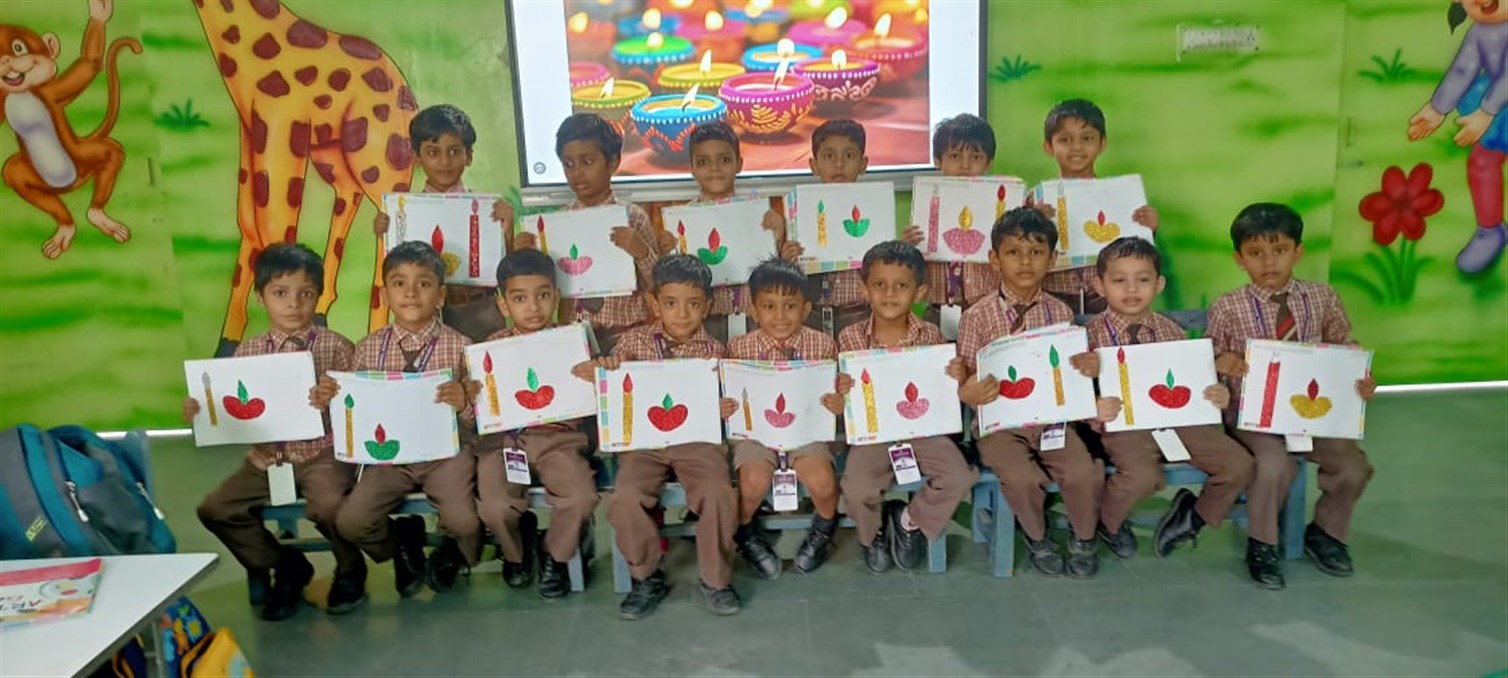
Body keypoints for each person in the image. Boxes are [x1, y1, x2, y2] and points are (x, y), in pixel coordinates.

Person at [1207, 203, 1376, 590]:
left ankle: (1326, 533)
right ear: (1239, 259)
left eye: (1279, 250)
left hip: (1312, 414)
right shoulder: (1228, 306)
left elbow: (1345, 347)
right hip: (1252, 415)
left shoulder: (1322, 297)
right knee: (1274, 465)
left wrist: (1361, 378)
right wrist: (1223, 362)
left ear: (1298, 252)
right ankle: (1262, 544)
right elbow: (1209, 358)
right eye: (1255, 253)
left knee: (1353, 466)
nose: (1269, 262)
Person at [193, 243, 363, 620]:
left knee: (330, 506)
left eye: (305, 294)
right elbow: (232, 409)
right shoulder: (248, 352)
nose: (293, 304)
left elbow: (360, 407)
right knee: (216, 508)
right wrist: (203, 410)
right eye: (280, 293)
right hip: (267, 457)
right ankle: (285, 564)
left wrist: (336, 397)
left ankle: (351, 569)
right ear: (261, 297)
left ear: (318, 296)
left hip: (323, 453)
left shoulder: (337, 347)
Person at [1069, 236, 1255, 563]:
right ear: (1100, 285)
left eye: (1142, 280)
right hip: (1122, 425)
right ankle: (1107, 524)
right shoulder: (1086, 337)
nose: (1131, 289)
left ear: (1159, 284)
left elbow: (1192, 382)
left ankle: (1192, 517)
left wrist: (1216, 393)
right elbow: (1071, 391)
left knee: (1239, 465)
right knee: (1143, 476)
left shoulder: (1172, 333)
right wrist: (1092, 407)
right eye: (1119, 280)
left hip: (1175, 420)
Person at [956, 207, 1113, 578]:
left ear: (1052, 259)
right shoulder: (976, 316)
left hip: (1051, 420)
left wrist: (1088, 368)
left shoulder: (1060, 313)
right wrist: (968, 391)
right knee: (1022, 477)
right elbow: (964, 377)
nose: (1025, 261)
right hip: (999, 426)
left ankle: (1084, 537)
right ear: (995, 259)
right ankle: (1037, 537)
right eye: (1013, 252)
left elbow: (1071, 374)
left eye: (1036, 252)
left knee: (1083, 471)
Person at [326, 241, 483, 598]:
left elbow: (481, 417)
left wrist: (463, 403)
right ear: (385, 295)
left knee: (463, 521)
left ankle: (457, 552)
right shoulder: (367, 348)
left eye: (423, 284)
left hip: (447, 453)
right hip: (389, 457)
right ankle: (400, 543)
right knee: (352, 521)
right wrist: (335, 398)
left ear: (440, 295)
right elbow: (353, 408)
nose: (411, 293)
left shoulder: (462, 346)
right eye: (399, 283)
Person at [601, 255, 741, 619]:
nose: (682, 314)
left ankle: (715, 580)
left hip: (697, 442)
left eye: (693, 304)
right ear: (654, 303)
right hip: (645, 445)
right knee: (625, 498)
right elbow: (612, 385)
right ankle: (646, 577)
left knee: (718, 493)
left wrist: (722, 407)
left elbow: (727, 403)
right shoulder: (632, 342)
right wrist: (608, 368)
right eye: (671, 303)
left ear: (706, 307)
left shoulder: (715, 353)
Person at [835, 241, 977, 573]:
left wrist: (955, 376)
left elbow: (942, 392)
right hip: (873, 435)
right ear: (864, 289)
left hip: (924, 432)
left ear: (919, 292)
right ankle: (872, 536)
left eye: (901, 286)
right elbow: (842, 402)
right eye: (879, 284)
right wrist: (841, 391)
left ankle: (908, 521)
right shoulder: (850, 338)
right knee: (856, 488)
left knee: (960, 475)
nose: (889, 294)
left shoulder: (931, 335)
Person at [469, 249, 598, 600]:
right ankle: (517, 554)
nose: (533, 308)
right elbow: (479, 409)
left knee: (581, 497)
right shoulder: (489, 350)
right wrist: (471, 395)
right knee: (493, 506)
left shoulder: (573, 341)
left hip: (560, 439)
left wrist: (595, 378)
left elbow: (597, 402)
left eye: (542, 296)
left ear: (555, 297)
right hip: (505, 442)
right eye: (519, 298)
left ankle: (555, 555)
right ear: (503, 304)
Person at [725, 258, 846, 577]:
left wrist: (837, 403)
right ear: (754, 310)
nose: (780, 316)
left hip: (807, 432)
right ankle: (745, 533)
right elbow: (730, 399)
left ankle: (823, 530)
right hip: (756, 435)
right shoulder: (738, 349)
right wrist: (725, 407)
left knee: (822, 482)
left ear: (805, 309)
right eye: (769, 306)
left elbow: (835, 396)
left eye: (790, 306)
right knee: (752, 482)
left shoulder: (823, 345)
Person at [371, 104, 525, 340]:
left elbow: (507, 272)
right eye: (433, 152)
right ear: (417, 158)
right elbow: (396, 268)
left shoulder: (489, 212)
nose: (444, 161)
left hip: (480, 311)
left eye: (454, 151)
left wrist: (506, 233)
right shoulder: (403, 214)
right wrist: (384, 234)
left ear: (468, 156)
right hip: (424, 311)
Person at [548, 113, 669, 353]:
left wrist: (642, 253)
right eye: (568, 164)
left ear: (613, 162)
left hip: (626, 335)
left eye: (587, 162)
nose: (577, 173)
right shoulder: (557, 223)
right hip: (575, 335)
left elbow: (658, 285)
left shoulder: (633, 217)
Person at [1035, 99, 1159, 315]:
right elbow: (1022, 250)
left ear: (1102, 144)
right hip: (1052, 296)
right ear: (1048, 147)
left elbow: (1135, 251)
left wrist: (1149, 228)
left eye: (1087, 138)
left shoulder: (1122, 196)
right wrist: (1033, 223)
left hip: (1106, 296)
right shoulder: (1038, 200)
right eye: (1065, 139)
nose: (1076, 147)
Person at [682, 121, 797, 342]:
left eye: (724, 160)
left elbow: (775, 275)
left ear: (739, 164)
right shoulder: (682, 223)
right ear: (692, 168)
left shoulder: (761, 216)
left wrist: (778, 241)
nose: (714, 168)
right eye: (703, 162)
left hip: (753, 320)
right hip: (703, 324)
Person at [901, 113, 1004, 321]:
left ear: (989, 163)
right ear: (938, 161)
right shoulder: (927, 204)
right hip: (939, 309)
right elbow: (911, 268)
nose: (965, 165)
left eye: (976, 157)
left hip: (990, 308)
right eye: (955, 156)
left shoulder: (1001, 204)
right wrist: (907, 247)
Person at [797, 119, 872, 339]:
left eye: (849, 155)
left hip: (861, 314)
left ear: (863, 163)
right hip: (812, 315)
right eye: (829, 156)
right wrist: (788, 256)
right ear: (814, 165)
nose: (839, 164)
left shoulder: (876, 208)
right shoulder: (799, 211)